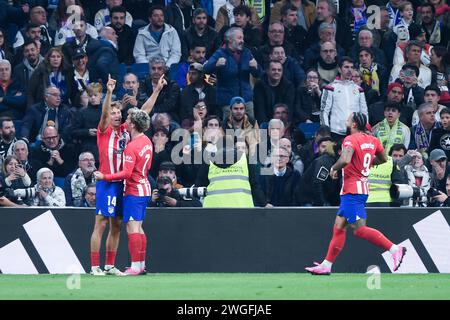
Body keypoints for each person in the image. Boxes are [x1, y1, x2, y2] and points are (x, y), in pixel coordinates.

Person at [305, 112, 407, 275]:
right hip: (359, 189)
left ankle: (395, 249)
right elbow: (383, 158)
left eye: (348, 119)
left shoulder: (350, 140)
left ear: (353, 124)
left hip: (352, 190)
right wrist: (365, 166)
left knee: (359, 229)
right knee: (339, 228)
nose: (346, 121)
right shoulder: (372, 140)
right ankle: (326, 265)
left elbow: (345, 160)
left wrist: (333, 168)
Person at [94, 107, 153, 276]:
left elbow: (126, 174)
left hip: (134, 190)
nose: (124, 120)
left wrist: (104, 176)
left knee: (132, 227)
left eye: (128, 119)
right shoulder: (147, 141)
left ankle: (135, 267)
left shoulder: (131, 147)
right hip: (145, 186)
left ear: (133, 125)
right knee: (139, 227)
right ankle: (141, 264)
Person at [203, 27, 261, 121]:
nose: (242, 41)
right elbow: (205, 70)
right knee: (230, 130)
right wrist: (216, 65)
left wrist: (256, 67)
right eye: (239, 38)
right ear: (229, 39)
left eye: (242, 38)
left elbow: (258, 74)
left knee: (250, 129)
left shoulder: (247, 53)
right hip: (228, 101)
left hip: (246, 100)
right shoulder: (220, 53)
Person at [320, 57, 368, 141]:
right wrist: (326, 131)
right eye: (346, 67)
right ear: (339, 69)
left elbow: (364, 111)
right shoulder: (330, 88)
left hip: (355, 132)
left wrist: (365, 128)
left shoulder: (359, 89)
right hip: (335, 133)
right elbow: (324, 111)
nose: (349, 70)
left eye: (351, 67)